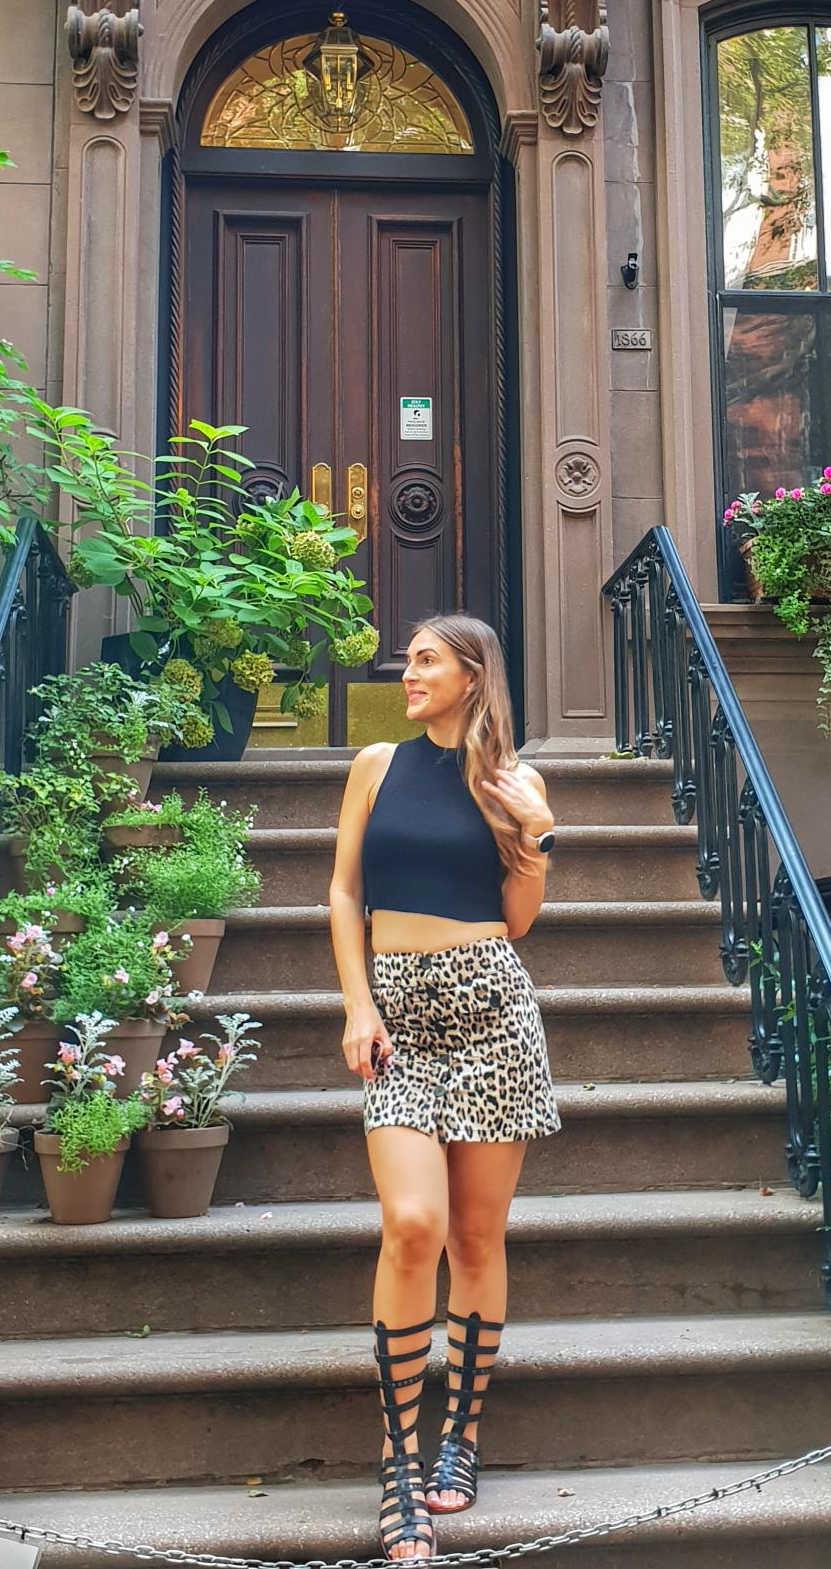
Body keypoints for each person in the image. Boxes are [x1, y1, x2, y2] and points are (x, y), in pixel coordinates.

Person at [328, 614, 560, 1563]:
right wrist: (356, 1006)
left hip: (491, 1014)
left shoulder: (516, 782)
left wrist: (537, 839)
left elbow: (519, 921)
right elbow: (345, 893)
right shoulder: (376, 765)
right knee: (412, 1224)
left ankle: (458, 1440)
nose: (407, 669)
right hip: (401, 1023)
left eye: (425, 659)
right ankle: (397, 1469)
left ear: (472, 676)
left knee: (473, 1235)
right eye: (409, 656)